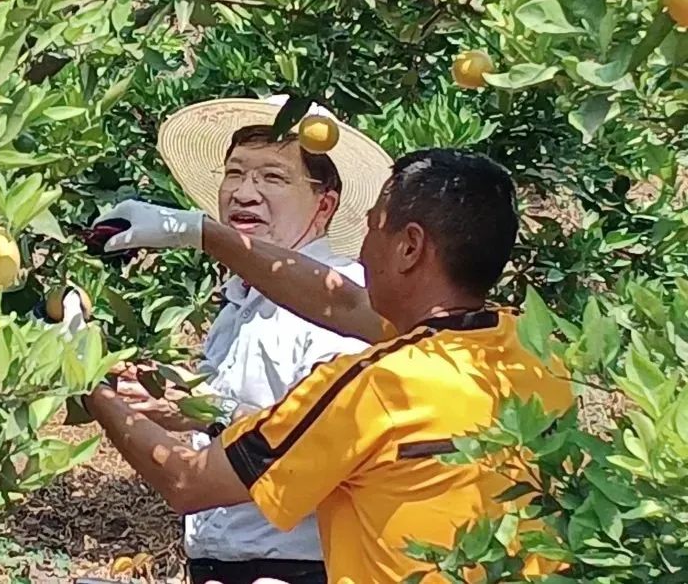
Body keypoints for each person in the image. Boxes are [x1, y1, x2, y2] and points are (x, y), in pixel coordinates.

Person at [86, 147, 574, 583]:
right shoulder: (535, 354)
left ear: (409, 247)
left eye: (372, 228)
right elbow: (342, 305)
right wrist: (199, 233)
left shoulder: (378, 387)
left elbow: (189, 480)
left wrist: (86, 379)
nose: (361, 251)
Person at [113, 96, 390, 584]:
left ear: (324, 204)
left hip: (300, 568)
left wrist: (207, 409)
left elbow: (329, 448)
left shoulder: (341, 305)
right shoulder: (238, 303)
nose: (245, 192)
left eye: (273, 177)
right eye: (235, 174)